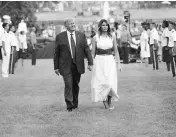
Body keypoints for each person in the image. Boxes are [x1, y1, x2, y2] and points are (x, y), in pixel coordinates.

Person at [54, 18, 93, 112]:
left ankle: (75, 103)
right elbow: (56, 53)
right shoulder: (60, 37)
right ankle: (69, 105)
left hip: (78, 65)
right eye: (70, 24)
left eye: (73, 23)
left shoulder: (81, 35)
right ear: (66, 26)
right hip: (65, 65)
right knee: (68, 84)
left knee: (75, 85)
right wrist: (56, 67)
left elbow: (87, 50)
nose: (73, 25)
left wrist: (90, 62)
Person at [91, 19, 121, 110]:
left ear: (108, 26)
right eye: (103, 25)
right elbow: (93, 52)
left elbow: (116, 51)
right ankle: (104, 102)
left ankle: (109, 101)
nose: (105, 27)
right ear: (100, 26)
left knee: (110, 82)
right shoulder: (95, 38)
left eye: (106, 25)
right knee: (102, 82)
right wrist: (91, 63)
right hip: (99, 61)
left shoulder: (112, 36)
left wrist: (118, 63)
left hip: (110, 61)